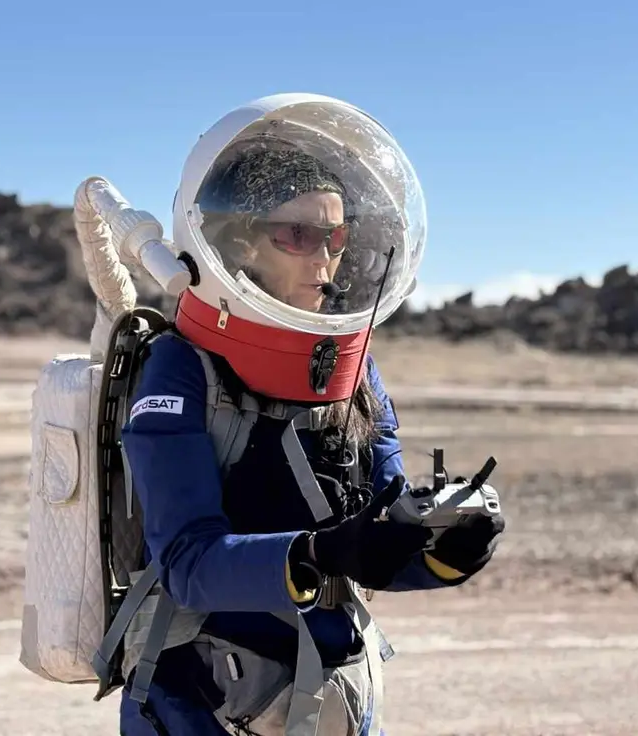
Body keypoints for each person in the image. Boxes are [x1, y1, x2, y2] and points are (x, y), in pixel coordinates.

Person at [114, 95, 506, 735]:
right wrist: (321, 552)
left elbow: (376, 543)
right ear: (237, 241)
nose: (325, 257)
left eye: (337, 236)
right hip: (200, 705)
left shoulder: (353, 371)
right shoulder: (183, 367)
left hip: (326, 702)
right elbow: (187, 564)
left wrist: (443, 546)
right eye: (299, 235)